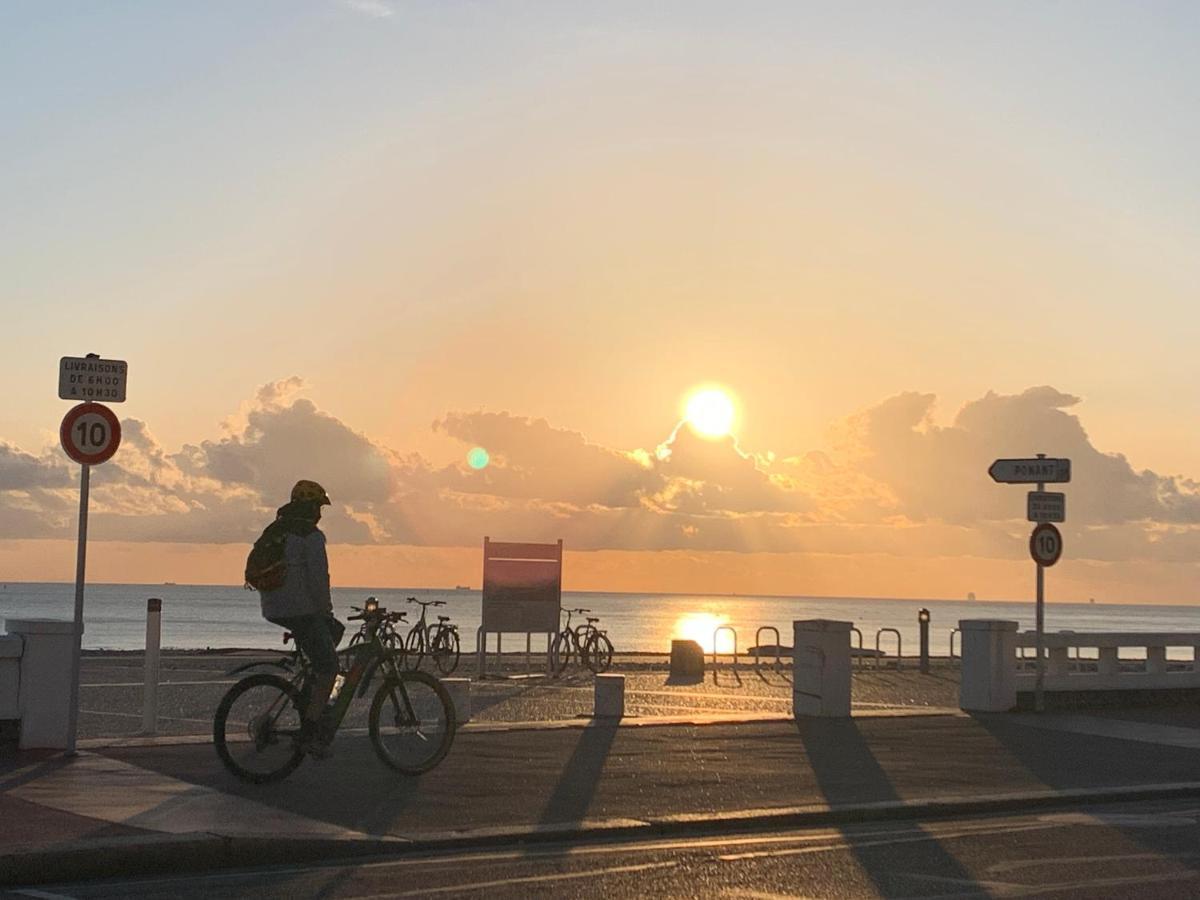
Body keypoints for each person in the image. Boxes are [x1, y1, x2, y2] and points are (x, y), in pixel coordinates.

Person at [258, 480, 341, 758]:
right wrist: (326, 612)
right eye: (318, 506)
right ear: (311, 507)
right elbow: (319, 581)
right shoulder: (311, 536)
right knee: (329, 666)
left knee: (316, 661)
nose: (320, 512)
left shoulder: (277, 530)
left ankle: (308, 703)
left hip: (273, 607)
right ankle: (310, 732)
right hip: (300, 609)